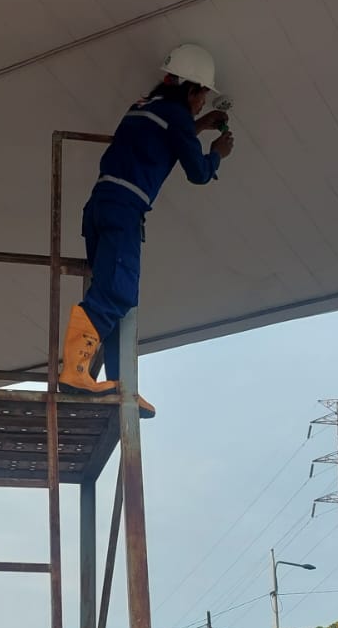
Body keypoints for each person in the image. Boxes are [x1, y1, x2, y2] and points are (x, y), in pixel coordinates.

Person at [58, 44, 234, 417]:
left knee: (120, 301)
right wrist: (217, 151)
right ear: (191, 90)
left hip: (99, 206)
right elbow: (198, 173)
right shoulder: (177, 117)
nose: (203, 103)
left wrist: (197, 126)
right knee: (116, 293)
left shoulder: (142, 108)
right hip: (125, 210)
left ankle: (122, 387)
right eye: (203, 96)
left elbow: (168, 136)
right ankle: (76, 372)